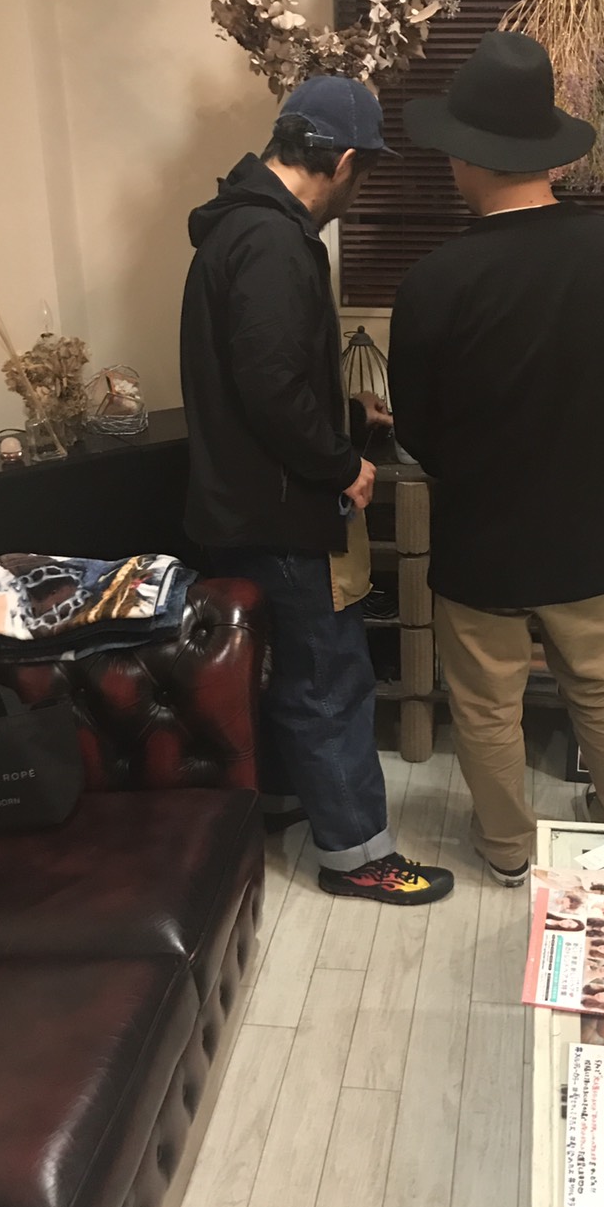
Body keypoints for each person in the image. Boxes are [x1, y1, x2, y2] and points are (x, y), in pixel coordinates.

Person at [388, 30, 604, 888]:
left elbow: (416, 427)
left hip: (484, 531)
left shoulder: (434, 281)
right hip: (590, 520)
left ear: (468, 157)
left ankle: (507, 849)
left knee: (486, 702)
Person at [180, 76, 454, 906]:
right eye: (361, 171)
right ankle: (358, 856)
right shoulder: (273, 243)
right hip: (283, 512)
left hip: (240, 504)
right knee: (330, 682)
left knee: (281, 672)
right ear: (339, 160)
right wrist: (342, 463)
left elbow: (259, 378)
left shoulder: (237, 230)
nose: (356, 189)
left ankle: (287, 800)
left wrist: (345, 413)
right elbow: (270, 388)